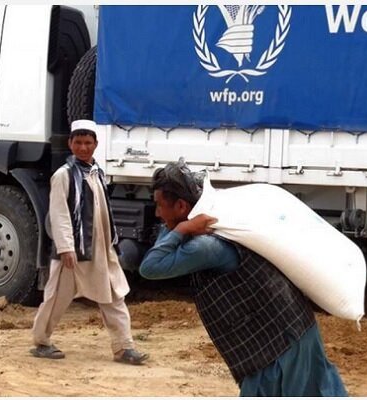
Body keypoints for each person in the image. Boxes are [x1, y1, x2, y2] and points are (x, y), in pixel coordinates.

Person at [139, 160, 347, 396]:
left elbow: (150, 267)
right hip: (291, 332)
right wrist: (181, 225)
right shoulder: (216, 228)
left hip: (278, 348)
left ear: (180, 206)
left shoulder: (204, 246)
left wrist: (182, 229)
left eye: (160, 205)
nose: (156, 213)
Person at [31, 119, 147, 365]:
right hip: (74, 251)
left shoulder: (97, 173)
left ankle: (124, 347)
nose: (83, 147)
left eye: (88, 142)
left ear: (96, 144)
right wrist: (66, 248)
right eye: (78, 142)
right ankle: (41, 341)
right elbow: (60, 213)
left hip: (101, 249)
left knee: (113, 295)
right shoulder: (63, 175)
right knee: (56, 298)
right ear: (70, 144)